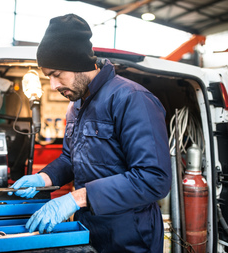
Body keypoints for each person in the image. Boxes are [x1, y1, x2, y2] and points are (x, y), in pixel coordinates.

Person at [9, 13, 172, 252]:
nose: (53, 86)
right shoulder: (76, 106)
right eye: (48, 77)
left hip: (131, 236)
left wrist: (76, 198)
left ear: (79, 64)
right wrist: (44, 178)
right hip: (88, 229)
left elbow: (154, 178)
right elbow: (70, 158)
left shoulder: (132, 99)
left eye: (56, 74)